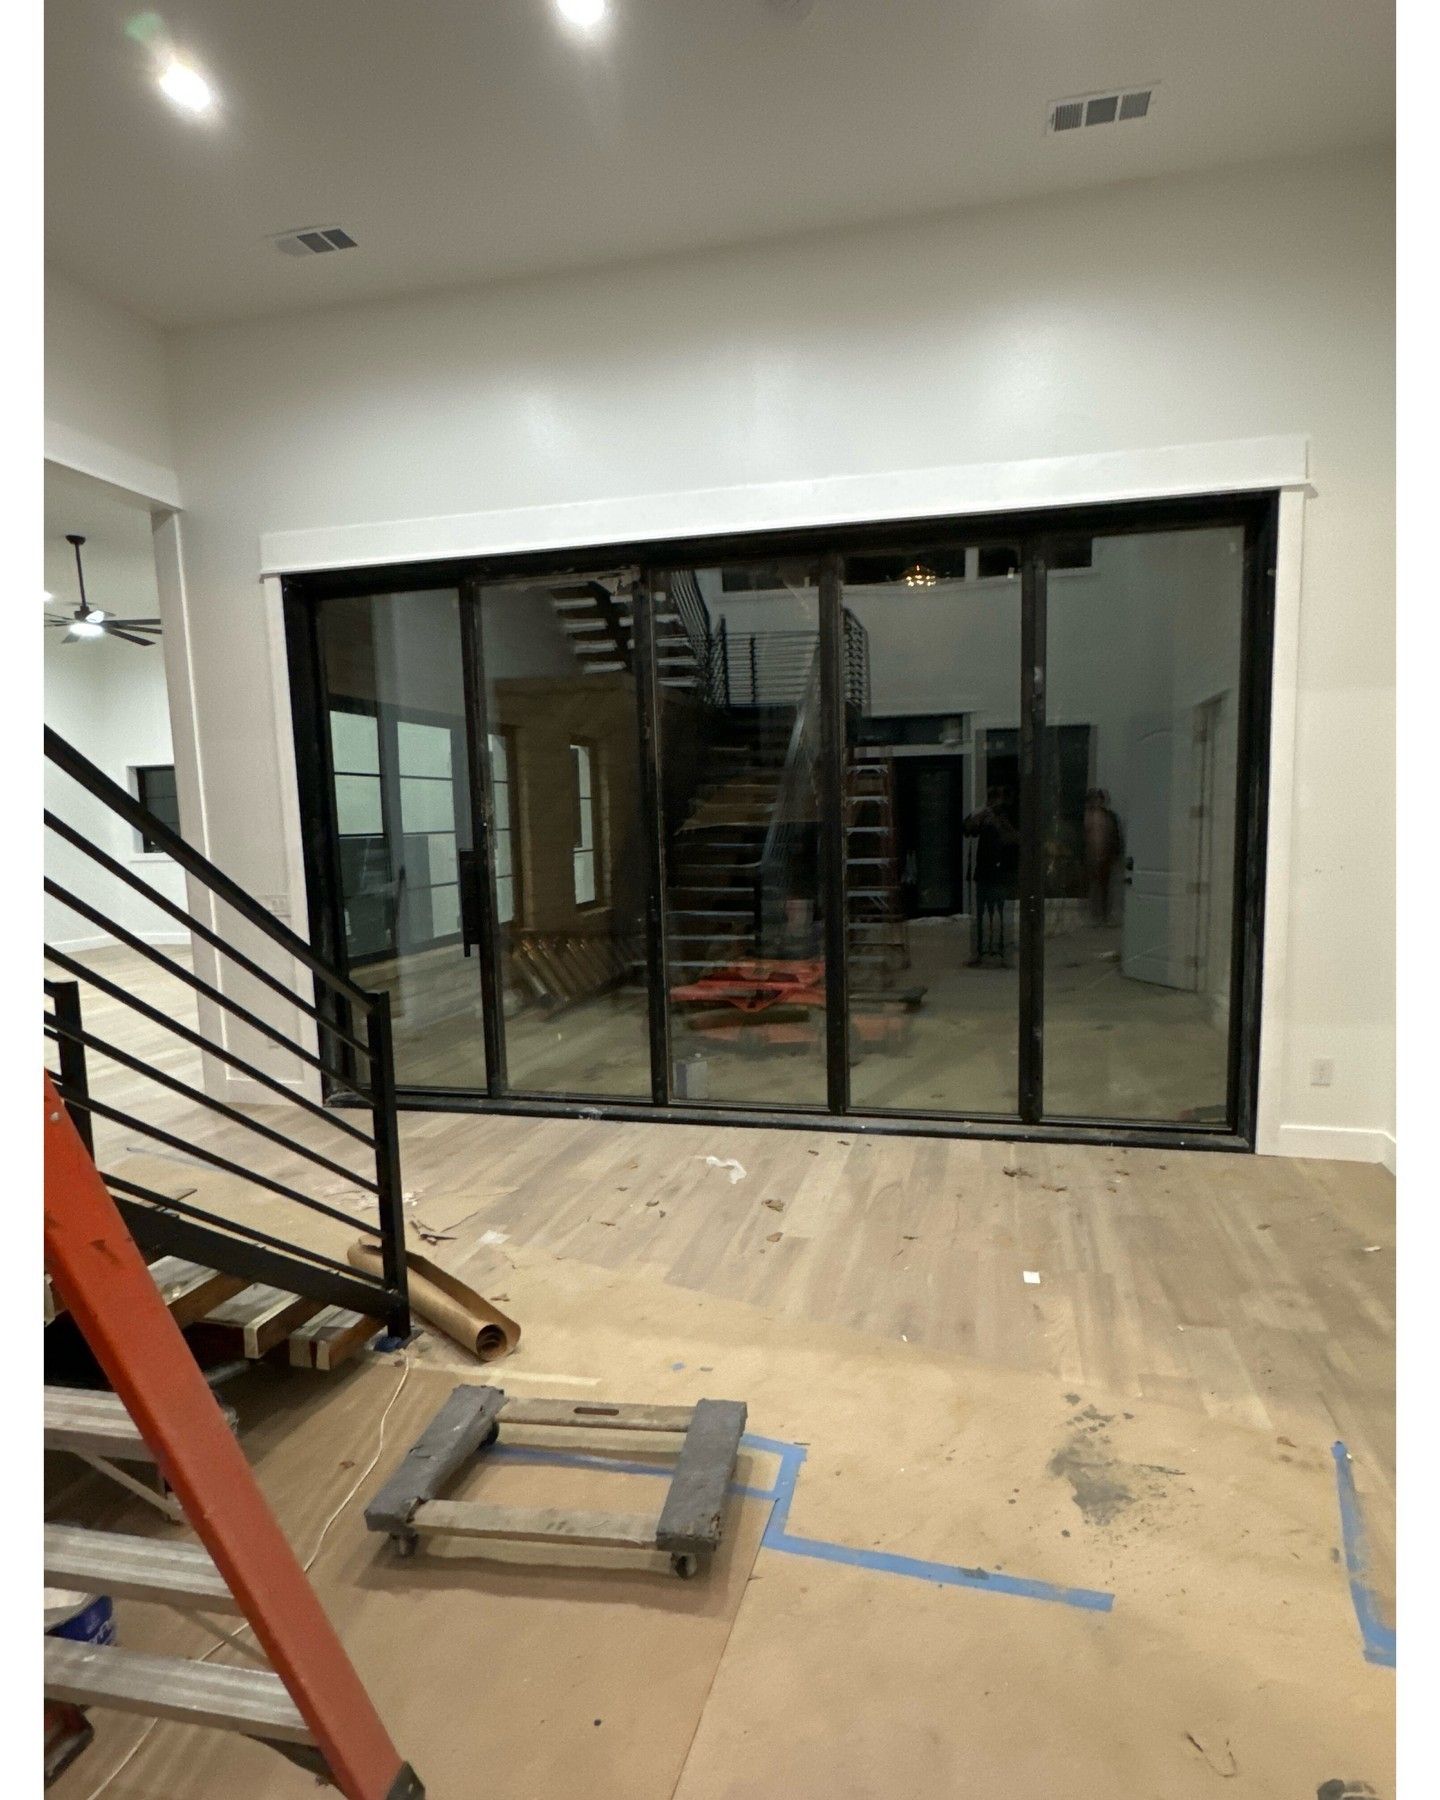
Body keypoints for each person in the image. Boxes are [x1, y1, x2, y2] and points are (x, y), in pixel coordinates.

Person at [963, 785, 1019, 964]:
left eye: (996, 797)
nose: (994, 801)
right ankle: (980, 951)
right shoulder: (985, 816)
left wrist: (998, 823)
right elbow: (967, 829)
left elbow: (1014, 839)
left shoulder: (1005, 817)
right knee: (980, 915)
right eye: (991, 797)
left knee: (1001, 915)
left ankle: (1001, 951)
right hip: (985, 872)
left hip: (1000, 873)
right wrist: (981, 814)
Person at [1083, 787, 1125, 925]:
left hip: (1106, 856)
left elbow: (1115, 836)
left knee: (1105, 888)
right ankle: (1095, 916)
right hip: (1091, 857)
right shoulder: (1087, 816)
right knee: (1093, 887)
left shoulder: (1109, 816)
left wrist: (1116, 853)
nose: (1097, 802)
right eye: (1094, 799)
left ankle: (1105, 916)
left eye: (1098, 799)